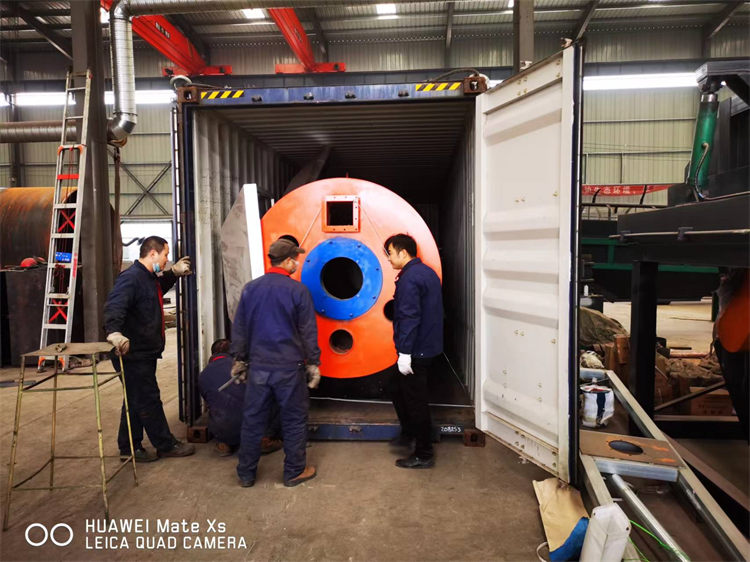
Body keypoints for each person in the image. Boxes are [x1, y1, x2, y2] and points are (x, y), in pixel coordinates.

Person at [231, 237, 322, 488]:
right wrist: (314, 363)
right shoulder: (298, 291)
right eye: (296, 259)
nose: (297, 263)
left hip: (258, 368)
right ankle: (294, 471)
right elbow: (308, 331)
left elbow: (240, 328)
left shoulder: (251, 289)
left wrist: (239, 359)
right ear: (289, 261)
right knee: (293, 420)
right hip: (289, 369)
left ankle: (246, 474)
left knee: (253, 421)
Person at [104, 235, 195, 462]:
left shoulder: (147, 277)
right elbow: (115, 305)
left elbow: (156, 289)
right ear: (152, 253)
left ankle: (129, 447)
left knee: (135, 398)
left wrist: (173, 273)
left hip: (144, 351)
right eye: (165, 255)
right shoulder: (131, 278)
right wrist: (114, 333)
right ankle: (165, 444)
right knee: (148, 399)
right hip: (132, 353)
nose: (166, 260)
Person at [384, 233, 444, 469]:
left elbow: (409, 317)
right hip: (427, 346)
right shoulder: (426, 272)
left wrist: (405, 353)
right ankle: (409, 433)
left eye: (390, 253)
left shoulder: (410, 279)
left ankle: (424, 453)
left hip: (417, 350)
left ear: (403, 253)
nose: (389, 258)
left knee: (415, 401)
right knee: (395, 386)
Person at [198, 338, 283, 456]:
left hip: (223, 429)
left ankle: (224, 444)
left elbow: (209, 402)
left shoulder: (203, 375)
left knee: (216, 407)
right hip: (252, 427)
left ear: (213, 355)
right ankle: (265, 439)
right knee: (280, 398)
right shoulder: (243, 367)